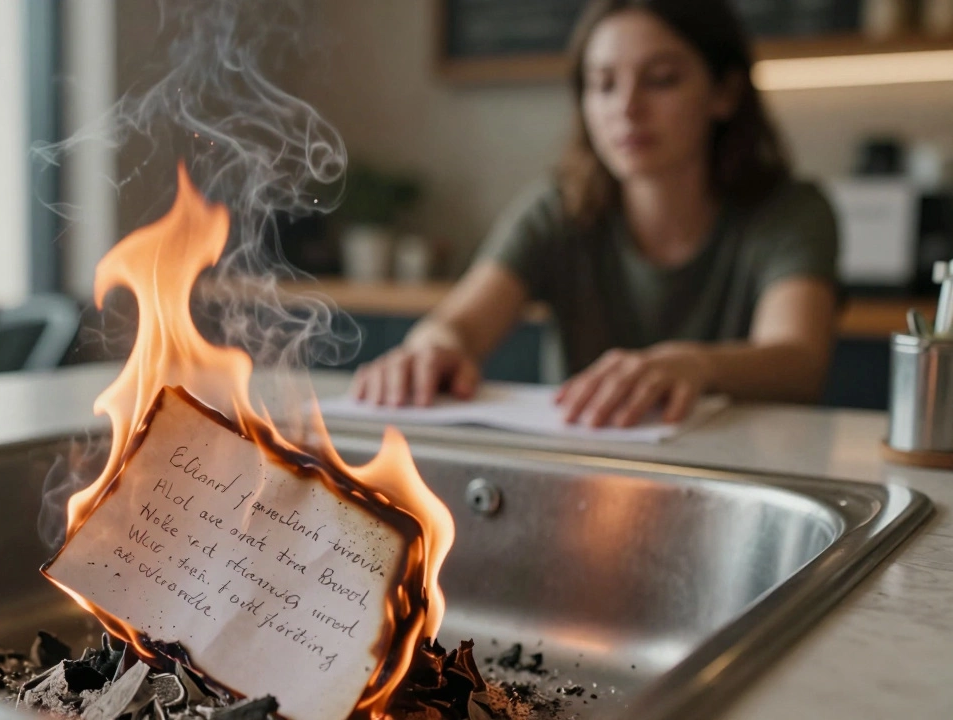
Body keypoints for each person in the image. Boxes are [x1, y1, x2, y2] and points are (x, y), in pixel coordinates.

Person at [351, 0, 839, 428]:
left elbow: (798, 360)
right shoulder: (559, 210)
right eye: (603, 84)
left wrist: (693, 365)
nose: (627, 107)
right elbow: (459, 323)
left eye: (661, 79)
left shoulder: (791, 212)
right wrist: (432, 348)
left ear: (724, 93)